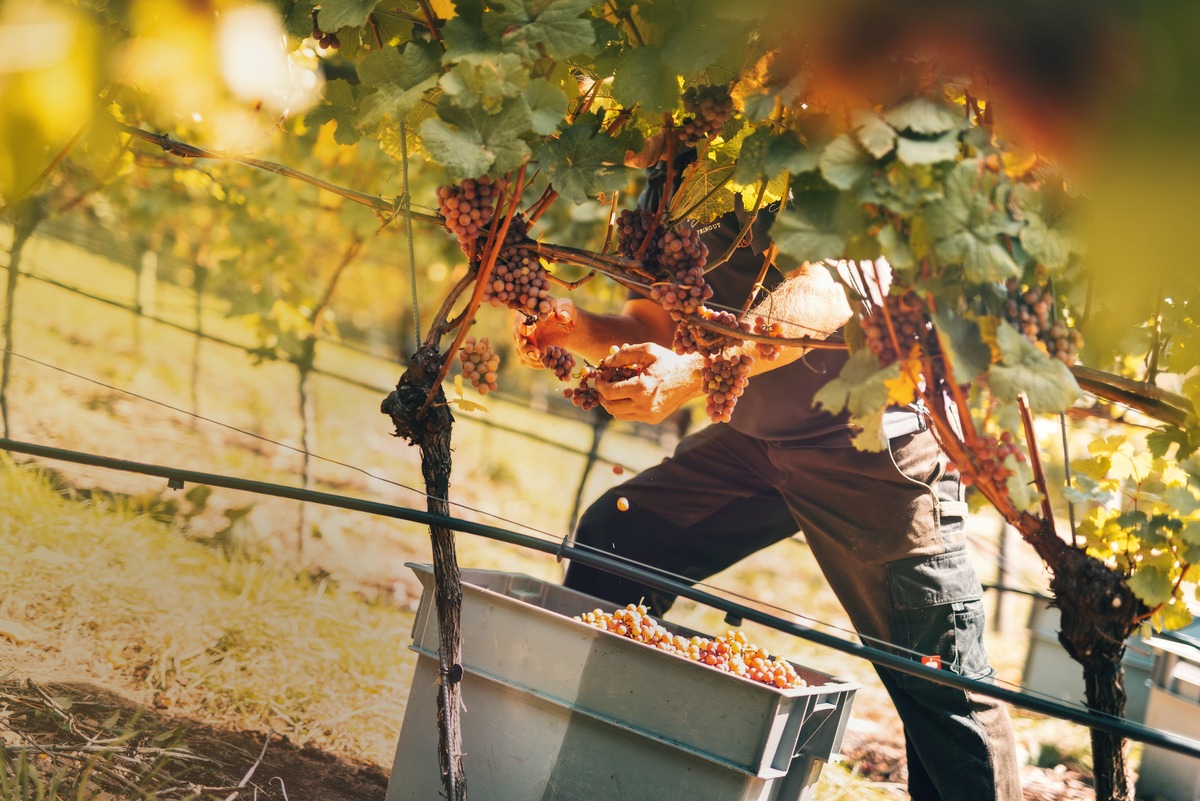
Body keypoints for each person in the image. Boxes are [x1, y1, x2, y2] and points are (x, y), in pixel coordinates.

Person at [514, 155, 1022, 801]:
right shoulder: (672, 169)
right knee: (621, 538)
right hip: (759, 438)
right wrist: (583, 331)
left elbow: (825, 294)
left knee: (942, 687)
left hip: (867, 449)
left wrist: (697, 374)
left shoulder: (794, 129)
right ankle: (596, 768)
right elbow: (660, 322)